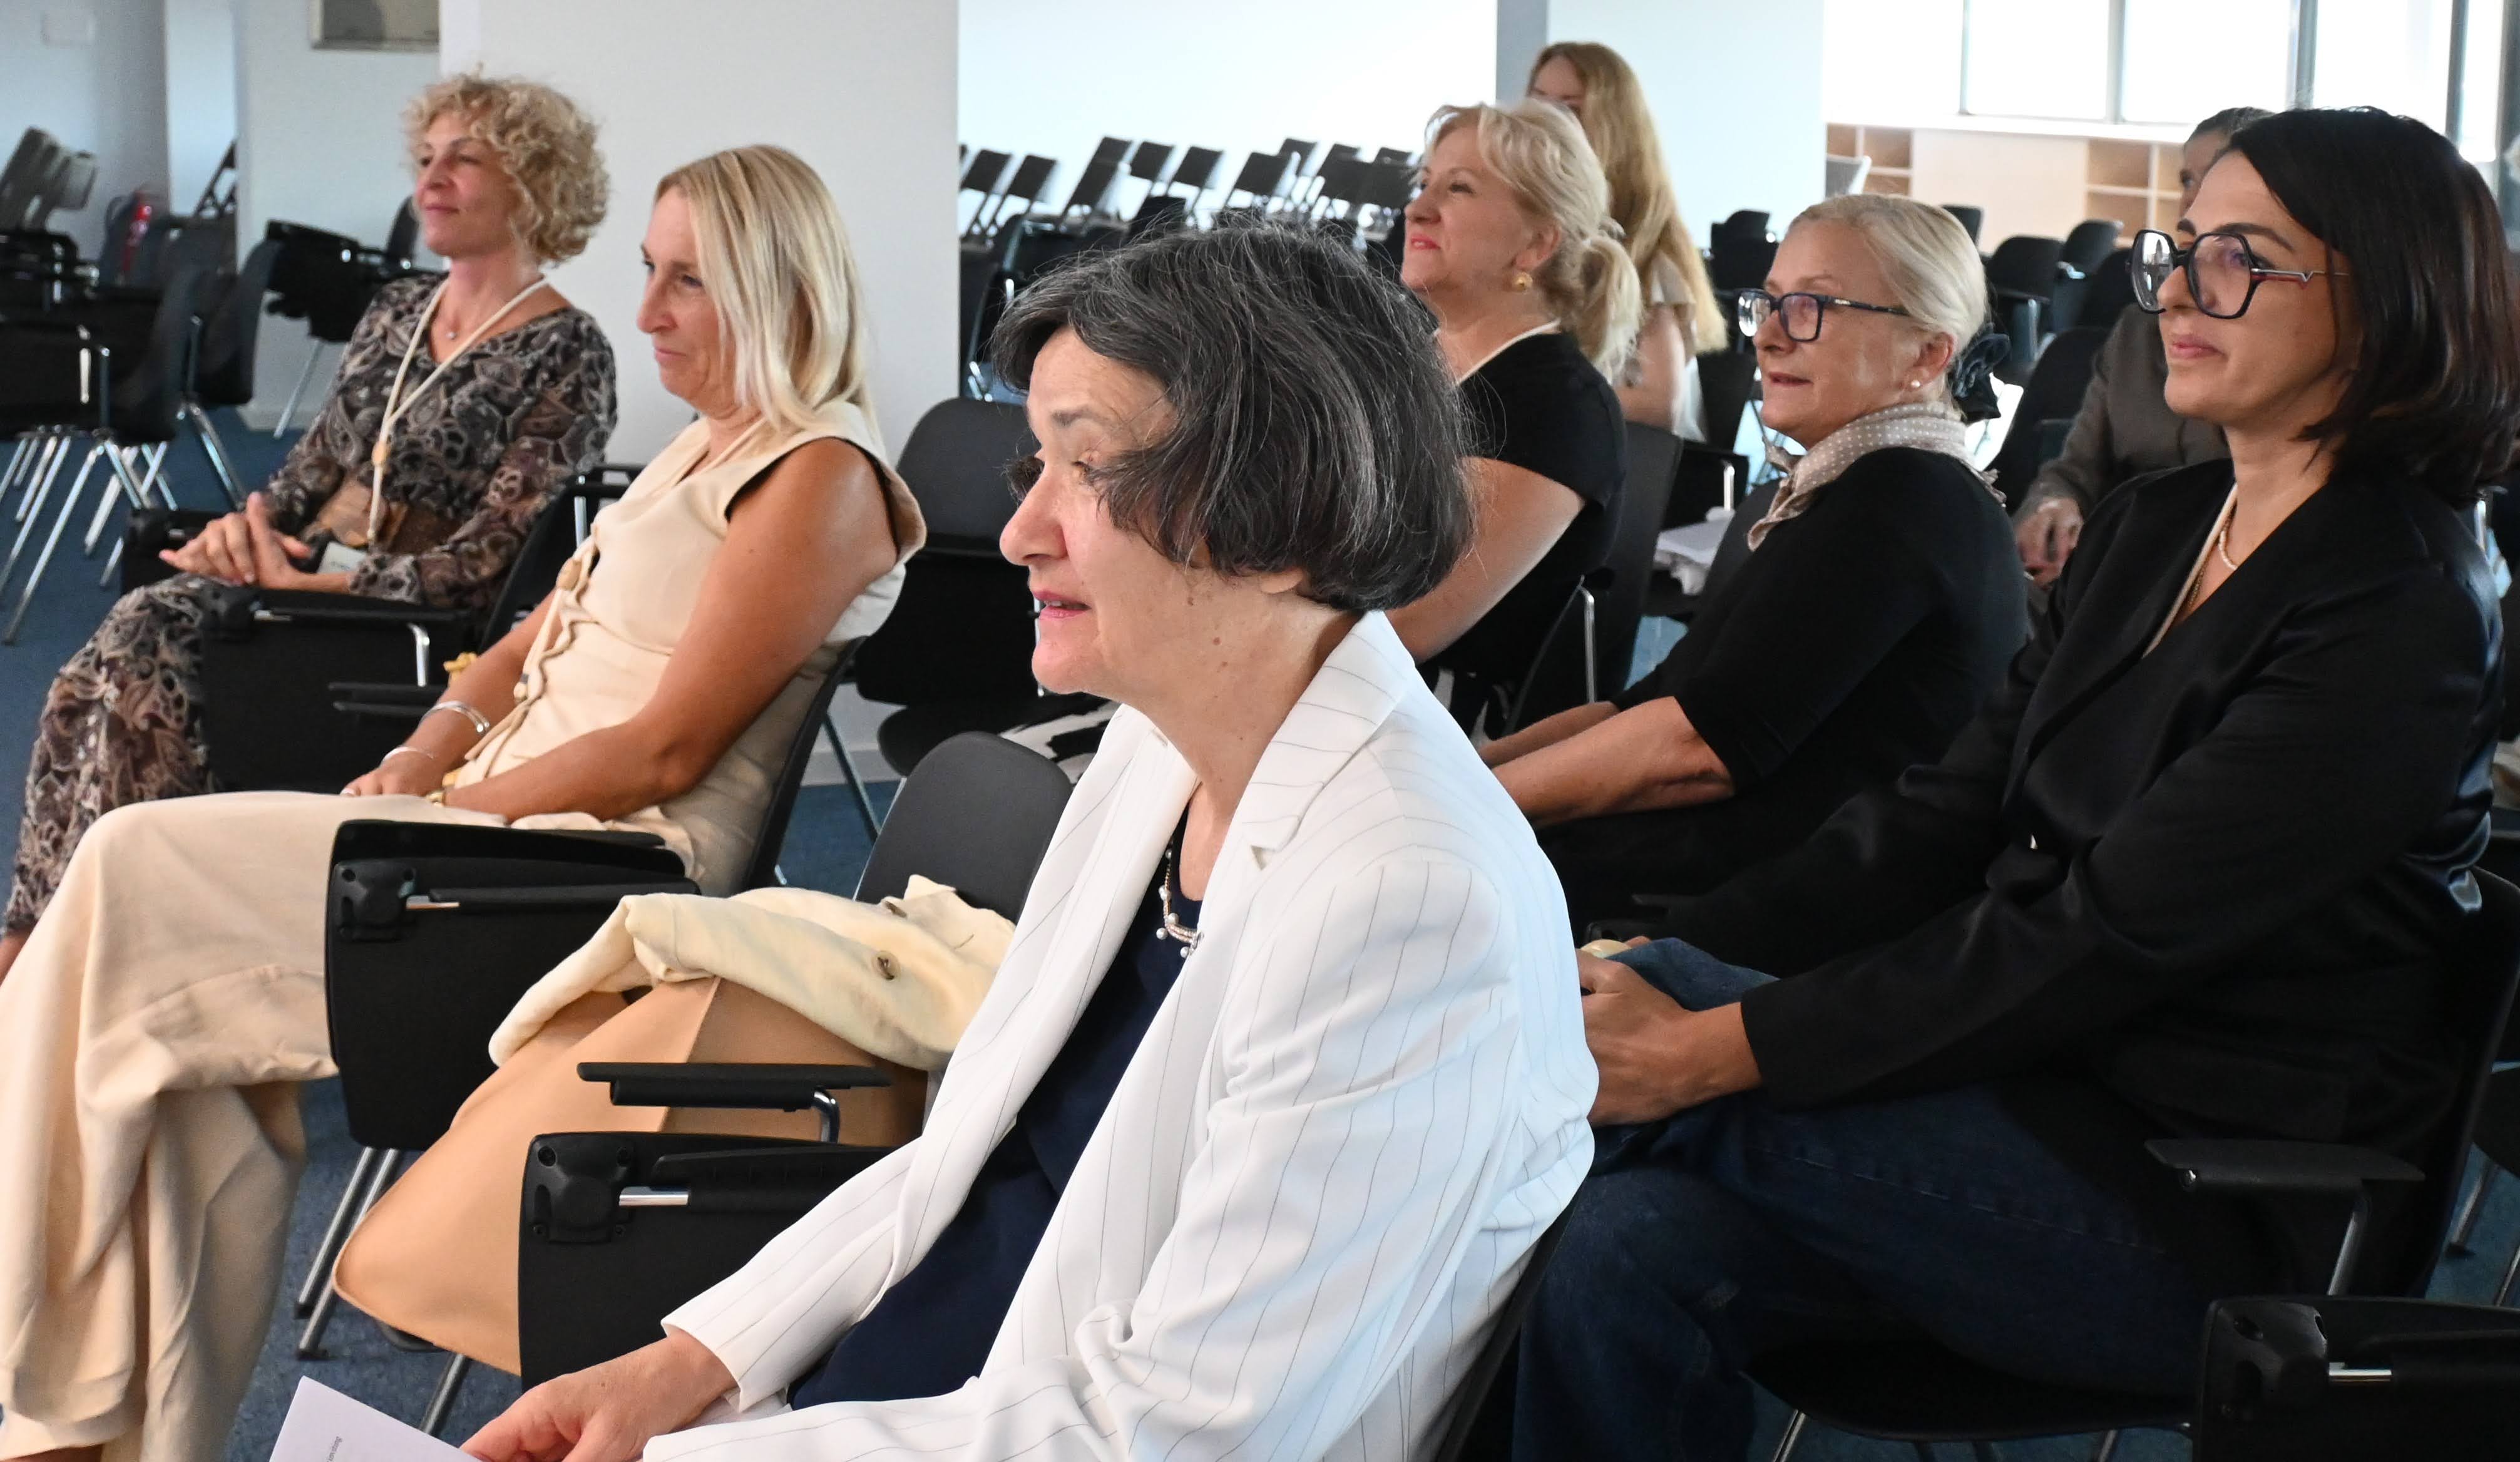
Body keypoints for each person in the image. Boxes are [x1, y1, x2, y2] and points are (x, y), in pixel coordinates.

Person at [460, 222, 1595, 1462]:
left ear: (1286, 517)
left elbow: (1174, 1436)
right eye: (1035, 463)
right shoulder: (1156, 746)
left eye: (1089, 467)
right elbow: (960, 1159)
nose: (1022, 531)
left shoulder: (1411, 899)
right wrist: (688, 1367)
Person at [1508, 107, 2518, 1462]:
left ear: (2389, 296)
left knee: (1533, 1067)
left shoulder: (2402, 605)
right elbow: (1938, 819)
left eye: (2240, 257)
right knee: (1625, 1238)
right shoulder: (2157, 527)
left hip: (2199, 1195)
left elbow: (2104, 934)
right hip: (2020, 1089)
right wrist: (1673, 961)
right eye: (2182, 247)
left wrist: (1706, 1043)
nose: (2178, 289)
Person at [0, 144, 926, 1462]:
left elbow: (664, 752)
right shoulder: (706, 448)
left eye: (688, 282)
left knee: (132, 867)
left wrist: (457, 807)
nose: (648, 312)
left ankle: (31, 1351)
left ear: (780, 286)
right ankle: (107, 1425)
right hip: (493, 826)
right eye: (649, 272)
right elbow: (517, 646)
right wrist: (421, 756)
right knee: (171, 1045)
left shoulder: (820, 475)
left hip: (589, 873)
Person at [1, 74, 618, 977]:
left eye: (464, 160)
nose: (431, 179)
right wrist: (243, 533)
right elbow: (305, 474)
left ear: (535, 182)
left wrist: (321, 583)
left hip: (405, 626)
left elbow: (497, 559)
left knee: (145, 647)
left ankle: (79, 951)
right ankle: (59, 941)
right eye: (425, 159)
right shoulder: (398, 309)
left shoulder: (570, 349)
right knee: (88, 682)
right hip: (298, 583)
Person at [1484, 193, 2024, 935]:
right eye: (1769, 304)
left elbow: (1697, 749)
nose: (1768, 336)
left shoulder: (1905, 497)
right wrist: (1465, 770)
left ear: (1927, 354)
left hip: (1768, 931)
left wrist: (1467, 805)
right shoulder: (1862, 485)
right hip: (1716, 883)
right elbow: (1646, 706)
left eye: (1812, 308)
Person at [1391, 100, 1637, 733]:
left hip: (1436, 719)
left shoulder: (1557, 407)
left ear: (1535, 244)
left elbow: (1408, 624)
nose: (1419, 208)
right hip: (1344, 677)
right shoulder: (1407, 361)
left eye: (1459, 188)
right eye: (1424, 183)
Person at [2013, 106, 2268, 586]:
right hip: (2105, 571)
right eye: (2187, 180)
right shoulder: (2138, 329)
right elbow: (2073, 469)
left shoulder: (2275, 338)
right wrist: (2053, 504)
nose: (2191, 200)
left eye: (2215, 176)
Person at [1527, 40, 1727, 436]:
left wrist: (1532, 392)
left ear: (1612, 129)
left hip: (1634, 461)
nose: (1543, 122)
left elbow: (1661, 406)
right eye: (1537, 102)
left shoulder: (1648, 253)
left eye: (1569, 109)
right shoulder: (1535, 227)